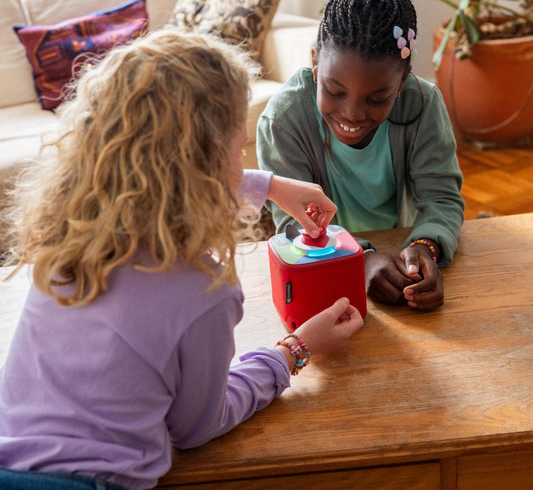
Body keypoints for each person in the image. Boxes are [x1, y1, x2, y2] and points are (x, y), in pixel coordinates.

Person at [0, 29, 364, 490]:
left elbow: (162, 179)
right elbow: (195, 428)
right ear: (209, 166)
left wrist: (269, 186)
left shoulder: (65, 241)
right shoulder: (203, 294)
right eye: (238, 149)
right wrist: (293, 350)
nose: (242, 157)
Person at [256, 0, 465, 312]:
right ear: (314, 64)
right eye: (334, 91)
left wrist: (426, 247)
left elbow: (442, 197)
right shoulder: (283, 120)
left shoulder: (424, 103)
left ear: (402, 83)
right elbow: (293, 223)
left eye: (377, 98)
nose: (352, 114)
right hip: (324, 274)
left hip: (401, 249)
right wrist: (360, 257)